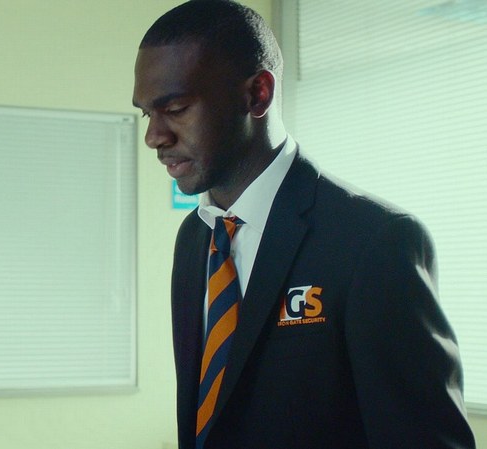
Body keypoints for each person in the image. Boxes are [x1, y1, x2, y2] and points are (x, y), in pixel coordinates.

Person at [131, 1, 476, 448]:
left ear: (258, 94)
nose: (154, 136)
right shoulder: (195, 238)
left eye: (176, 108)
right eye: (147, 113)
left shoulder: (373, 242)